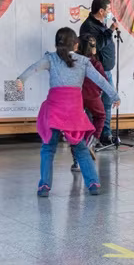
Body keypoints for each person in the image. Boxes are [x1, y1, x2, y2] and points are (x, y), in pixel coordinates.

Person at [16, 27, 120, 197]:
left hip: (54, 110)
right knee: (81, 148)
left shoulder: (50, 58)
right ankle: (93, 183)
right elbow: (101, 80)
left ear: (57, 44)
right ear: (76, 44)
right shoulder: (84, 61)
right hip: (73, 111)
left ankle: (44, 186)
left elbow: (33, 68)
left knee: (48, 148)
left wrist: (20, 80)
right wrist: (114, 96)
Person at [79, 0, 118, 146]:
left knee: (107, 103)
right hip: (95, 72)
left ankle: (105, 135)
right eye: (108, 9)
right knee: (94, 106)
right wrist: (110, 30)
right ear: (101, 11)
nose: (110, 12)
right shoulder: (88, 26)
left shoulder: (101, 24)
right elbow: (97, 46)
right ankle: (92, 136)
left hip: (106, 70)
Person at [70, 35, 108, 173]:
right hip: (93, 96)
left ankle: (77, 162)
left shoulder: (73, 61)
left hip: (76, 97)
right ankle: (90, 142)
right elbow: (103, 80)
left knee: (75, 128)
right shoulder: (96, 63)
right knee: (101, 116)